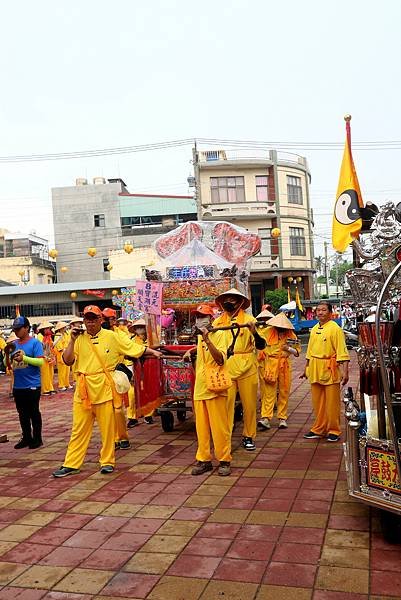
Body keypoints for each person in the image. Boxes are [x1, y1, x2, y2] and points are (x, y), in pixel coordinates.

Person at [52, 305, 162, 477]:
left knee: (107, 428)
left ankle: (107, 461)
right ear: (84, 321)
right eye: (87, 319)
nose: (90, 322)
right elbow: (67, 361)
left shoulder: (112, 336)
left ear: (100, 320)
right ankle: (71, 464)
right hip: (83, 389)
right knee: (78, 429)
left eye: (94, 318)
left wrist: (153, 352)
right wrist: (72, 340)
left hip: (104, 388)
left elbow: (134, 348)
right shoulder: (78, 338)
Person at [213, 288, 266, 451]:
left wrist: (254, 332)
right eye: (226, 299)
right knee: (225, 404)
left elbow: (261, 345)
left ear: (240, 302)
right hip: (226, 366)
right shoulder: (217, 323)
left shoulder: (250, 320)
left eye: (233, 299)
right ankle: (225, 437)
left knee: (249, 405)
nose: (229, 302)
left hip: (247, 366)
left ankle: (248, 435)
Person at [187, 304, 232, 476]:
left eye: (203, 316)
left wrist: (207, 339)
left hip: (216, 388)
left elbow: (220, 359)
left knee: (220, 427)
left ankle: (224, 460)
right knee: (202, 428)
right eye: (198, 317)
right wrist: (191, 351)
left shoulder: (220, 334)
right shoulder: (200, 337)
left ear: (211, 318)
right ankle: (204, 459)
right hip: (200, 388)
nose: (200, 320)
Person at [300, 301, 350, 442]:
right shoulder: (315, 328)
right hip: (315, 368)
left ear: (330, 312)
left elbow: (342, 351)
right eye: (318, 310)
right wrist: (306, 369)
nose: (320, 312)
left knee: (332, 402)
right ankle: (319, 428)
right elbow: (309, 352)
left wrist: (345, 372)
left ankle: (334, 430)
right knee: (317, 402)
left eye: (323, 310)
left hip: (330, 368)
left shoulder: (335, 329)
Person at [257, 311, 300, 431]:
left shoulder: (291, 335)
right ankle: (266, 417)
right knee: (268, 391)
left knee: (284, 390)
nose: (280, 329)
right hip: (270, 364)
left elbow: (297, 352)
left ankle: (282, 417)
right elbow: (257, 339)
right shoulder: (267, 332)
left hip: (284, 365)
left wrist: (289, 348)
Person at [9, 316, 44, 449]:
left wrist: (25, 358)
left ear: (27, 328)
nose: (16, 332)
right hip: (18, 385)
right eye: (15, 329)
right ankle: (26, 437)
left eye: (19, 329)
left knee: (33, 412)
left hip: (32, 384)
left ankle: (37, 438)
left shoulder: (35, 343)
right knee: (22, 413)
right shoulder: (14, 344)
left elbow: (40, 362)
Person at [126, 319, 155, 426]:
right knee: (132, 393)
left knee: (149, 390)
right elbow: (127, 354)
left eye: (142, 327)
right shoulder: (131, 340)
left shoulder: (152, 339)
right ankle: (132, 417)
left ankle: (148, 415)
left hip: (150, 366)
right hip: (135, 367)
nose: (140, 329)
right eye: (138, 327)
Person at [37, 322, 56, 395]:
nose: (49, 330)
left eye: (49, 328)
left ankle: (50, 388)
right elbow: (41, 347)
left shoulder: (48, 336)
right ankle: (45, 390)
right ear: (43, 329)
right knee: (44, 374)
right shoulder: (39, 336)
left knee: (50, 373)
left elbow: (51, 346)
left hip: (49, 356)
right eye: (47, 329)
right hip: (42, 357)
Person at [53, 322, 72, 391]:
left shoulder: (65, 334)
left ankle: (67, 383)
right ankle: (61, 385)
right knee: (62, 371)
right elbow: (58, 346)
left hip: (67, 353)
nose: (65, 328)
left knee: (67, 370)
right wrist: (64, 349)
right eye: (64, 327)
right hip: (61, 354)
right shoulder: (57, 335)